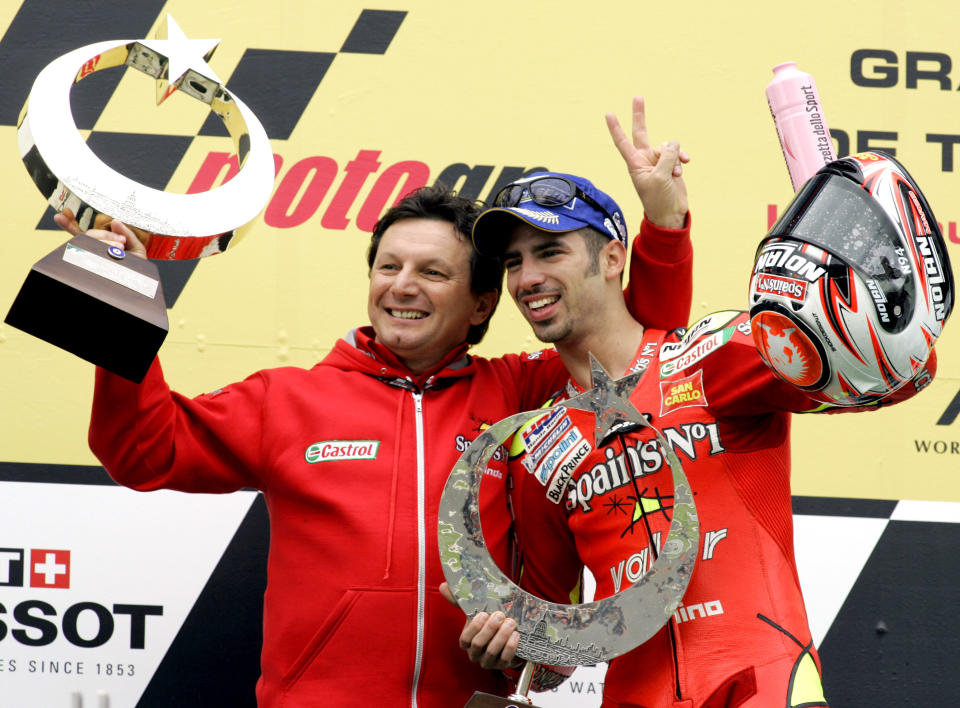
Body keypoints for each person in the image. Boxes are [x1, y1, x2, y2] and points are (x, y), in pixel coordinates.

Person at [54, 100, 694, 706]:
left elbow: (638, 359)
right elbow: (140, 451)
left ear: (480, 305)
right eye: (388, 267)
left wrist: (663, 231)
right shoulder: (288, 400)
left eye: (433, 273)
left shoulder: (522, 392)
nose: (402, 287)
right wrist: (124, 301)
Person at [458, 146, 946, 706]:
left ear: (614, 258)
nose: (528, 278)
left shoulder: (710, 354)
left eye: (549, 252)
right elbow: (552, 661)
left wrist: (868, 309)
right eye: (514, 263)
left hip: (763, 684)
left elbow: (898, 374)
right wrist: (508, 645)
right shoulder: (535, 446)